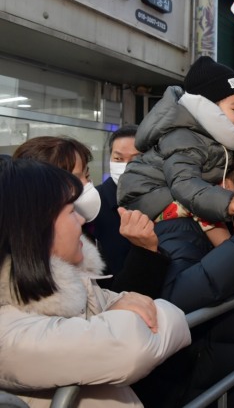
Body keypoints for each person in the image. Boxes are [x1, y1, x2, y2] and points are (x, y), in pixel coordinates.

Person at [0, 158, 191, 408]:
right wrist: (113, 318)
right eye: (71, 211)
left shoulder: (77, 283)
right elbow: (134, 347)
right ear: (34, 226)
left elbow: (167, 320)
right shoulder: (10, 332)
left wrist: (111, 319)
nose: (81, 220)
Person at [130, 150, 234, 407]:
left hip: (229, 373)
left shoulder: (231, 227)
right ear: (225, 185)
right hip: (192, 379)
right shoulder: (177, 224)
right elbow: (177, 297)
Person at [117, 56, 234, 249]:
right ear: (207, 107)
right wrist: (226, 202)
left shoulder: (212, 135)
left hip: (173, 191)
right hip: (148, 196)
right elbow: (185, 184)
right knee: (205, 212)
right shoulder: (184, 137)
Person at [13, 136, 168, 295]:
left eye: (87, 176)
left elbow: (109, 299)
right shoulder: (28, 266)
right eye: (74, 178)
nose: (86, 186)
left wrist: (145, 250)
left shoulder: (88, 232)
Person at [86, 125, 141, 278]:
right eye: (118, 159)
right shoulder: (93, 201)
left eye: (136, 159)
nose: (126, 165)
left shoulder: (164, 200)